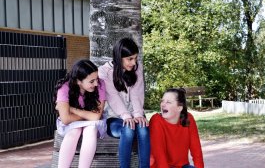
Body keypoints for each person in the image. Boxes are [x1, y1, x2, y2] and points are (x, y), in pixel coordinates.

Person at [99, 37, 150, 168]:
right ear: (119, 57)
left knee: (143, 129)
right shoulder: (105, 71)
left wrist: (138, 114)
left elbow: (136, 93)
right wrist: (126, 116)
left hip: (135, 114)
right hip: (115, 118)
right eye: (129, 59)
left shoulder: (136, 68)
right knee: (128, 130)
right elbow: (112, 96)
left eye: (135, 58)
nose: (133, 63)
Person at [55, 59, 106, 168]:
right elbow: (65, 119)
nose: (96, 83)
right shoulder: (64, 88)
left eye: (96, 79)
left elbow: (96, 116)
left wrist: (72, 109)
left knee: (91, 129)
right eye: (92, 81)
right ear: (78, 81)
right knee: (74, 130)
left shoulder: (101, 84)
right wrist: (88, 115)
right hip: (71, 126)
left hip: (92, 124)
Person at [149, 88, 204, 168]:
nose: (163, 104)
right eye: (162, 101)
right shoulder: (156, 120)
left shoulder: (188, 118)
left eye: (168, 102)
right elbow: (159, 156)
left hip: (183, 166)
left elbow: (196, 151)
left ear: (179, 108)